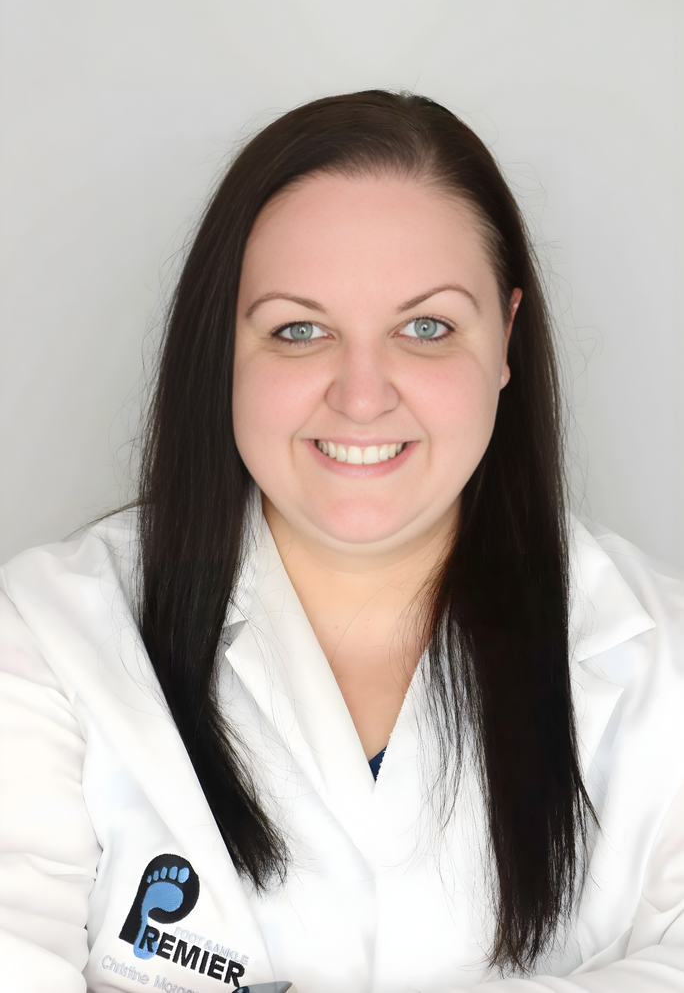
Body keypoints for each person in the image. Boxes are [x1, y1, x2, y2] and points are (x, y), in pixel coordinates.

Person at [0, 90, 683, 993]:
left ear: (507, 337)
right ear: (225, 349)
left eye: (426, 327)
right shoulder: (47, 638)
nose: (362, 396)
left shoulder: (659, 655)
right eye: (299, 329)